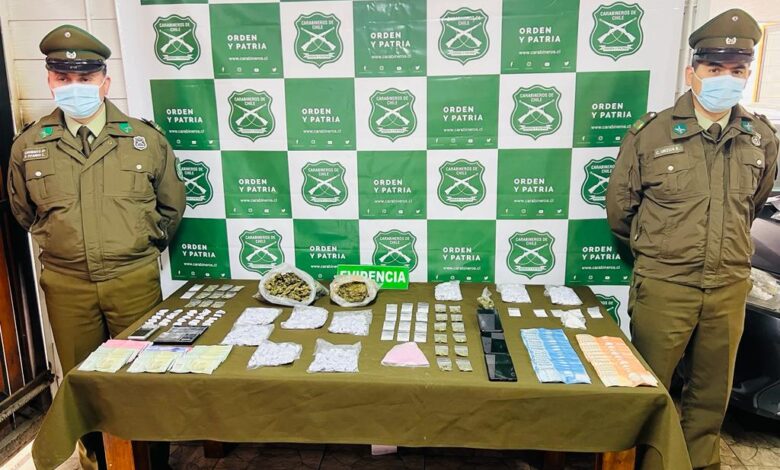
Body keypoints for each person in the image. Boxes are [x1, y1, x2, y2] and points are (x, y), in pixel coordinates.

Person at [6, 25, 184, 469]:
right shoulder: (29, 146)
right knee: (82, 382)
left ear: (105, 81)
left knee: (144, 378)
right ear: (50, 80)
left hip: (133, 281)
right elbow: (25, 212)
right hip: (67, 286)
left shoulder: (144, 140)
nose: (74, 87)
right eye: (63, 78)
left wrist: (136, 246)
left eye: (84, 78)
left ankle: (152, 463)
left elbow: (170, 207)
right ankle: (96, 463)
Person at [606, 8, 778, 470]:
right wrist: (660, 255)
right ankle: (649, 464)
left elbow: (753, 204)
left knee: (711, 395)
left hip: (728, 287)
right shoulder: (651, 134)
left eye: (737, 70)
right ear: (692, 72)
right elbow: (621, 212)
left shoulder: (760, 138)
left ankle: (701, 464)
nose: (727, 78)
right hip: (666, 285)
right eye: (715, 68)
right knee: (651, 390)